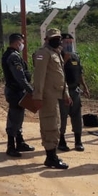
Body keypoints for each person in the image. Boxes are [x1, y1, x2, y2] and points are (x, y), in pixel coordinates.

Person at [32, 28, 71, 169]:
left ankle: (52, 155)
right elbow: (39, 76)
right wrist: (37, 96)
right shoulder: (43, 54)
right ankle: (51, 157)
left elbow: (60, 75)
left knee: (56, 124)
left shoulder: (56, 53)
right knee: (50, 125)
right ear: (46, 39)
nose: (57, 40)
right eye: (53, 38)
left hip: (56, 95)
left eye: (58, 37)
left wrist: (66, 93)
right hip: (47, 96)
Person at [1, 33, 36, 157]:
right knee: (14, 118)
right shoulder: (13, 57)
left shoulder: (12, 55)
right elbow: (20, 77)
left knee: (19, 117)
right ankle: (11, 146)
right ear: (17, 43)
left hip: (17, 91)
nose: (23, 44)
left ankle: (20, 142)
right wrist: (31, 90)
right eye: (22, 42)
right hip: (15, 91)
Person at [58, 33, 90, 152]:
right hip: (62, 91)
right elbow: (57, 72)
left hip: (75, 90)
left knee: (76, 116)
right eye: (66, 42)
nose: (69, 45)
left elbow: (79, 72)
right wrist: (64, 59)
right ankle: (61, 141)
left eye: (70, 42)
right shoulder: (57, 56)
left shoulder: (76, 56)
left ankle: (78, 141)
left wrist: (85, 86)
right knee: (62, 116)